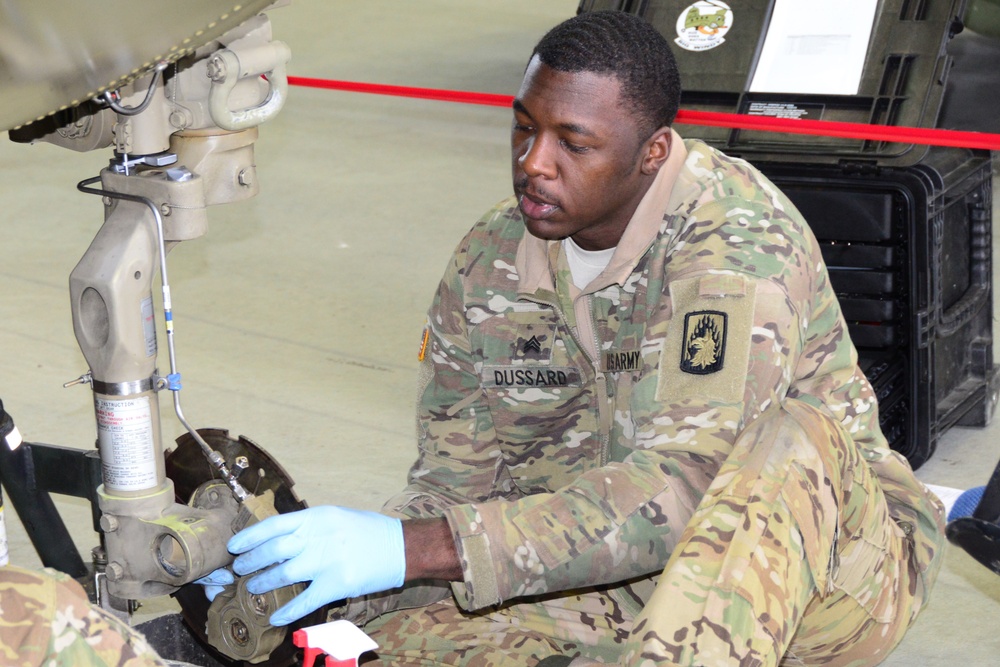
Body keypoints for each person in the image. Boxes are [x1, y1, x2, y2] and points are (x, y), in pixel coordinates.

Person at [214, 10, 946, 666]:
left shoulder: (733, 244)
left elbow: (686, 486)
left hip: (828, 573)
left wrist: (411, 549)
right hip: (615, 574)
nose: (534, 161)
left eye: (575, 143)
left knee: (788, 438)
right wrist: (320, 583)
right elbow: (454, 486)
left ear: (653, 153)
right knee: (403, 639)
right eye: (525, 126)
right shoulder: (486, 265)